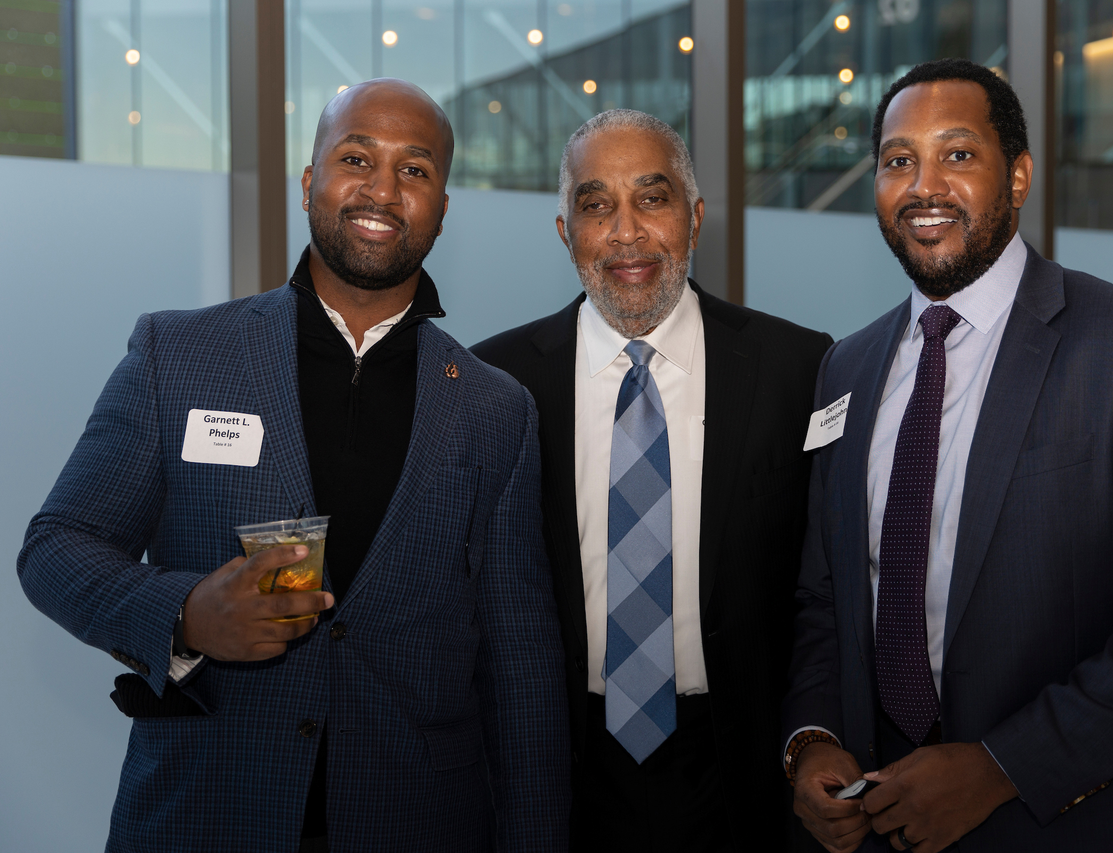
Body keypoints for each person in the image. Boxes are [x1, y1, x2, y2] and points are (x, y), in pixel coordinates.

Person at [18, 79, 569, 853]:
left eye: (414, 170)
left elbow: (520, 659)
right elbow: (56, 546)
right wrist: (184, 614)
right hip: (206, 810)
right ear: (311, 183)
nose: (381, 188)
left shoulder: (494, 408)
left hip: (416, 820)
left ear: (442, 210)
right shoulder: (175, 355)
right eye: (355, 157)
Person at [782, 58, 1113, 853]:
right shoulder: (848, 367)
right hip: (880, 824)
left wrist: (1000, 766)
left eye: (958, 154)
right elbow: (823, 598)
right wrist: (811, 739)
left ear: (1019, 176)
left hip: (1081, 824)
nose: (924, 184)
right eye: (898, 160)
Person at [472, 109, 833, 852]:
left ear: (695, 219)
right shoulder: (496, 382)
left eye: (653, 197)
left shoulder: (798, 367)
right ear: (566, 232)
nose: (626, 232)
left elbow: (823, 586)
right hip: (562, 761)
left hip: (741, 765)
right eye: (596, 204)